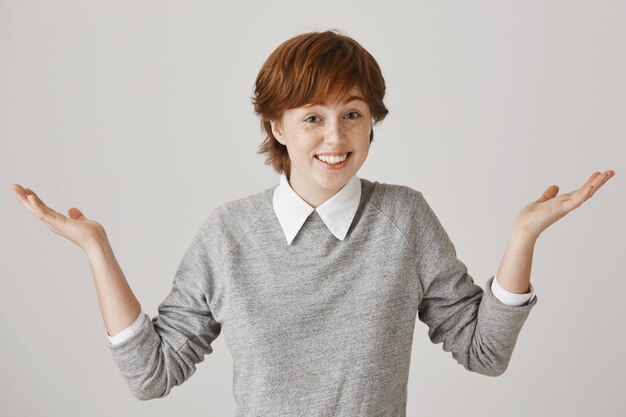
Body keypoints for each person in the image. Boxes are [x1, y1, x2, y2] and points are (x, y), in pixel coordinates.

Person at [11, 29, 615, 416]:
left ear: (372, 121)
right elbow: (152, 375)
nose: (336, 136)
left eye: (352, 113)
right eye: (312, 117)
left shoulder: (403, 218)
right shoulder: (228, 234)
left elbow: (484, 353)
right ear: (276, 126)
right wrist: (97, 250)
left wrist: (523, 237)